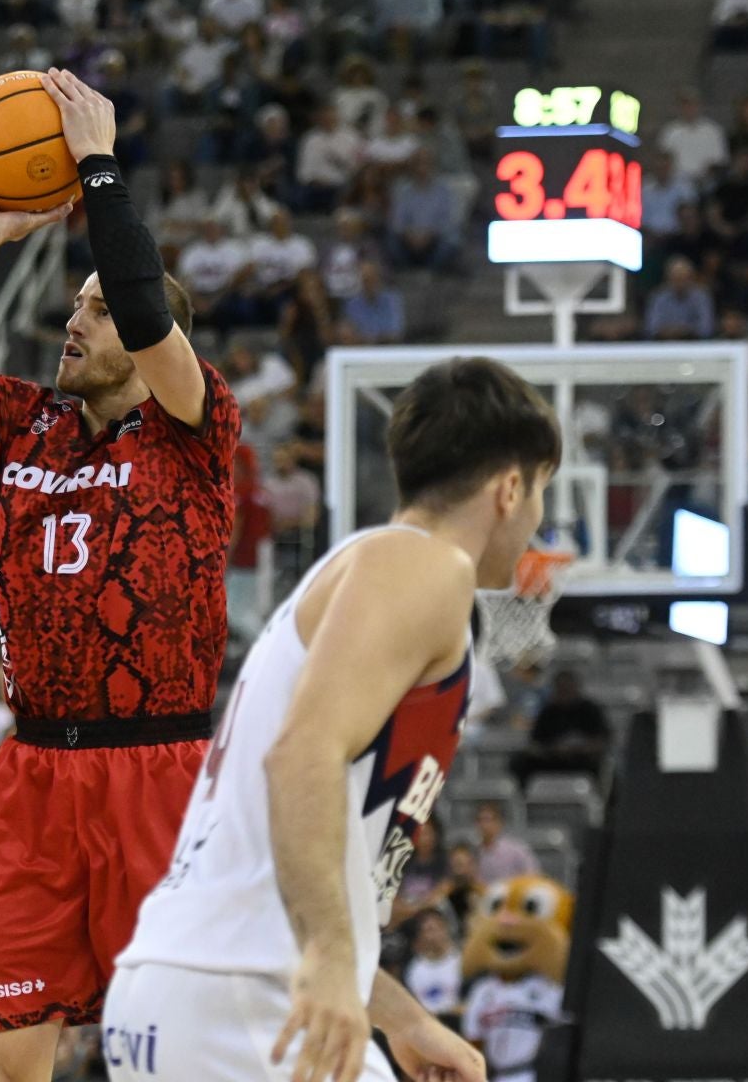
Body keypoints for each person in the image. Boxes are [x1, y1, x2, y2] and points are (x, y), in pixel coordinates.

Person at [0, 69, 241, 1073]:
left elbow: (144, 302)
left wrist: (99, 170)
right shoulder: (18, 421)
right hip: (34, 770)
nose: (76, 321)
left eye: (97, 309)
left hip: (154, 764)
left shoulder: (191, 430)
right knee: (8, 1060)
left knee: (166, 1052)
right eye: (73, 306)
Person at [103, 356, 552, 1082]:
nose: (537, 521)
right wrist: (331, 962)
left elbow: (297, 848)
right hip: (245, 996)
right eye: (541, 494)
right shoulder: (426, 568)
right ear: (509, 488)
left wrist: (399, 1017)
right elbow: (300, 755)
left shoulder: (361, 575)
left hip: (189, 992)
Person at [509, 670, 610, 789]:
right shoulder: (548, 712)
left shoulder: (590, 710)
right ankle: (526, 799)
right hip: (553, 759)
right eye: (561, 689)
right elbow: (535, 744)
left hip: (581, 760)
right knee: (520, 761)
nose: (564, 692)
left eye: (567, 688)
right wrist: (553, 749)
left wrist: (578, 749)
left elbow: (602, 741)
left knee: (603, 766)